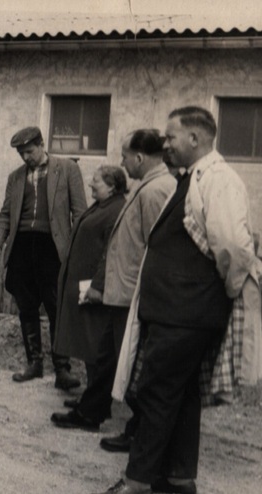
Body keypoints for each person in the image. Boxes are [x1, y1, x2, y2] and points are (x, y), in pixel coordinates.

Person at [102, 107, 262, 494]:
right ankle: (177, 478)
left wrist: (215, 293)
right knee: (182, 395)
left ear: (195, 139)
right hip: (178, 312)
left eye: (171, 137)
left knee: (155, 394)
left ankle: (137, 482)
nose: (164, 144)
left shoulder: (219, 180)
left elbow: (234, 249)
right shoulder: (190, 179)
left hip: (186, 314)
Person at [57, 130, 176, 447]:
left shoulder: (155, 191)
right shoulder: (146, 187)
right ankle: (90, 412)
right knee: (108, 357)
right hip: (119, 293)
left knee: (134, 364)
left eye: (124, 156)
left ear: (139, 157)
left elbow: (159, 247)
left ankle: (139, 430)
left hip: (132, 295)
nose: (121, 162)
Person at [0, 126, 87, 390]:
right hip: (22, 248)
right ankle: (34, 363)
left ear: (42, 145)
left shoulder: (67, 170)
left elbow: (80, 213)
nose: (26, 158)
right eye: (21, 154)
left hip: (52, 248)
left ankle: (62, 369)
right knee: (26, 307)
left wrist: (79, 251)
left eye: (29, 152)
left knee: (57, 309)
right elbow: (6, 213)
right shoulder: (16, 177)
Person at [49, 165, 127, 430]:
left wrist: (98, 285)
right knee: (89, 346)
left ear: (113, 186)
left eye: (96, 182)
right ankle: (91, 400)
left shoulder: (116, 210)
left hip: (94, 290)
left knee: (96, 348)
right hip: (83, 287)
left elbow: (112, 253)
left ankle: (94, 406)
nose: (91, 186)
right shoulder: (102, 205)